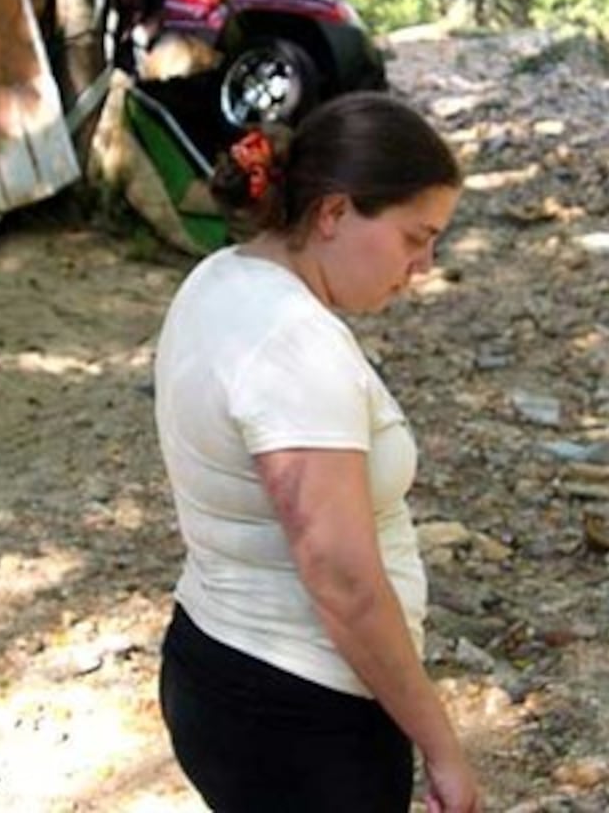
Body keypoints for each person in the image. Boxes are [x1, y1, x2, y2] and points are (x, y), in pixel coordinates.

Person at [153, 91, 482, 812]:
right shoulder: (292, 344)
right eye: (412, 237)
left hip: (220, 663)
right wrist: (440, 745)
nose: (422, 265)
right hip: (303, 712)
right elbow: (341, 579)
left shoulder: (220, 279)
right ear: (333, 213)